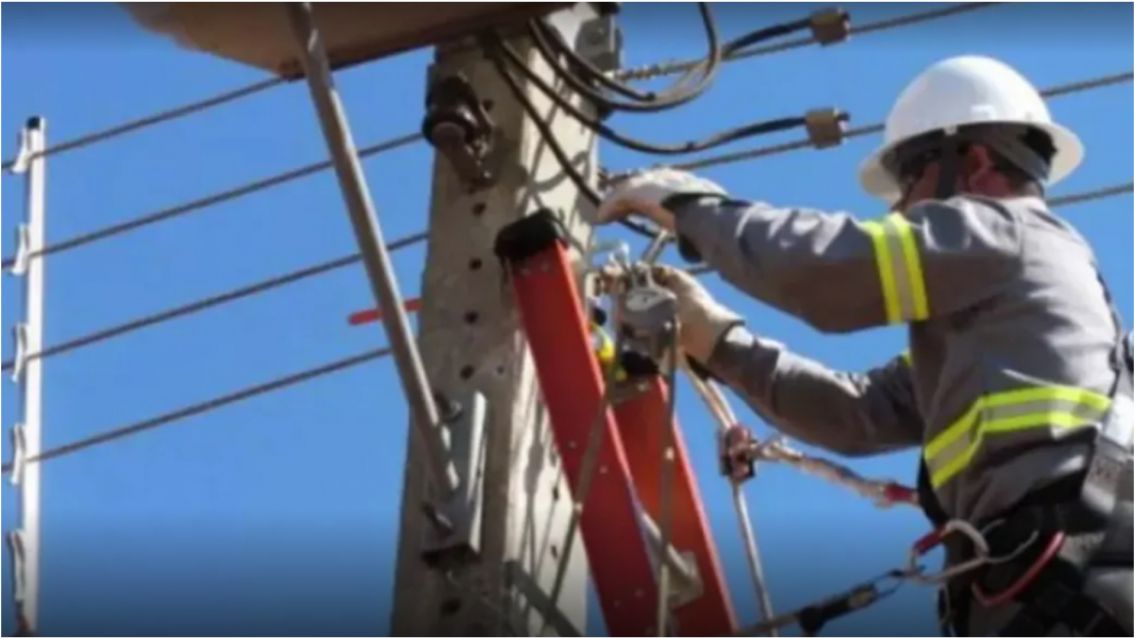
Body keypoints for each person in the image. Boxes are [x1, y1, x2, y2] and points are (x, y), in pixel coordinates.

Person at [592, 56, 1133, 636]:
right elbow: (854, 413)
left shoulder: (1009, 233)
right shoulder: (994, 332)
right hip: (1042, 599)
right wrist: (722, 341)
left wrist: (695, 210)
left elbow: (828, 268)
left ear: (973, 162)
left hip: (1067, 595)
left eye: (911, 179)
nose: (901, 207)